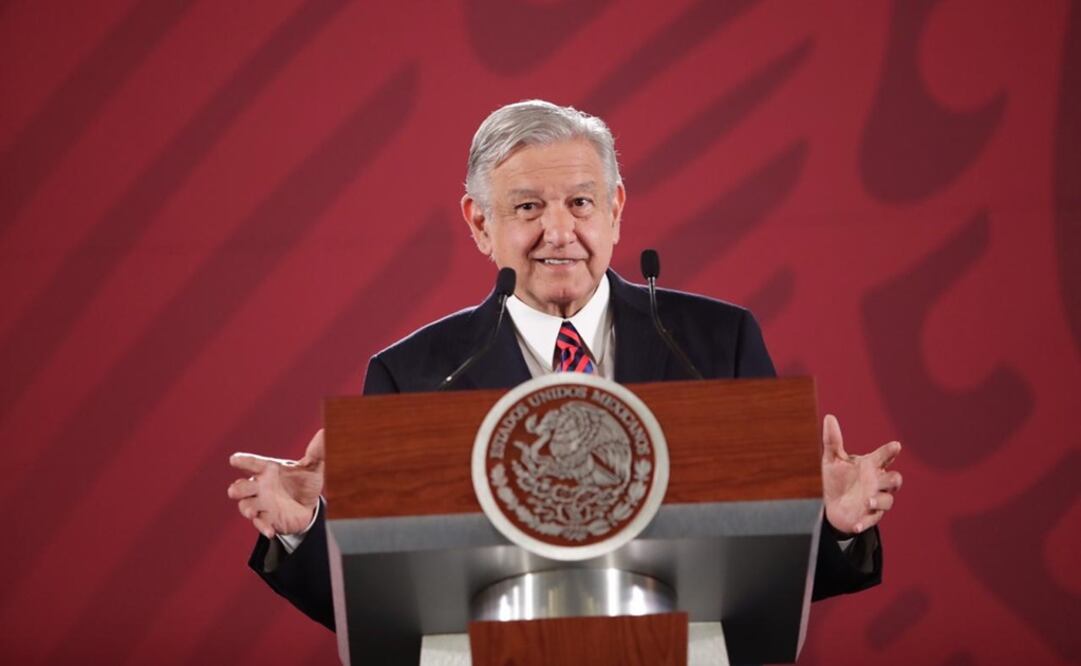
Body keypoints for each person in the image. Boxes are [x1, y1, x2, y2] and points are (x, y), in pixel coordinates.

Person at [228, 100, 904, 630]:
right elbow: (377, 604)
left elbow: (770, 567)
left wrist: (834, 525)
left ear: (614, 211)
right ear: (478, 223)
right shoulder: (414, 376)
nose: (559, 232)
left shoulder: (713, 343)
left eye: (581, 203)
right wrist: (308, 531)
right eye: (527, 208)